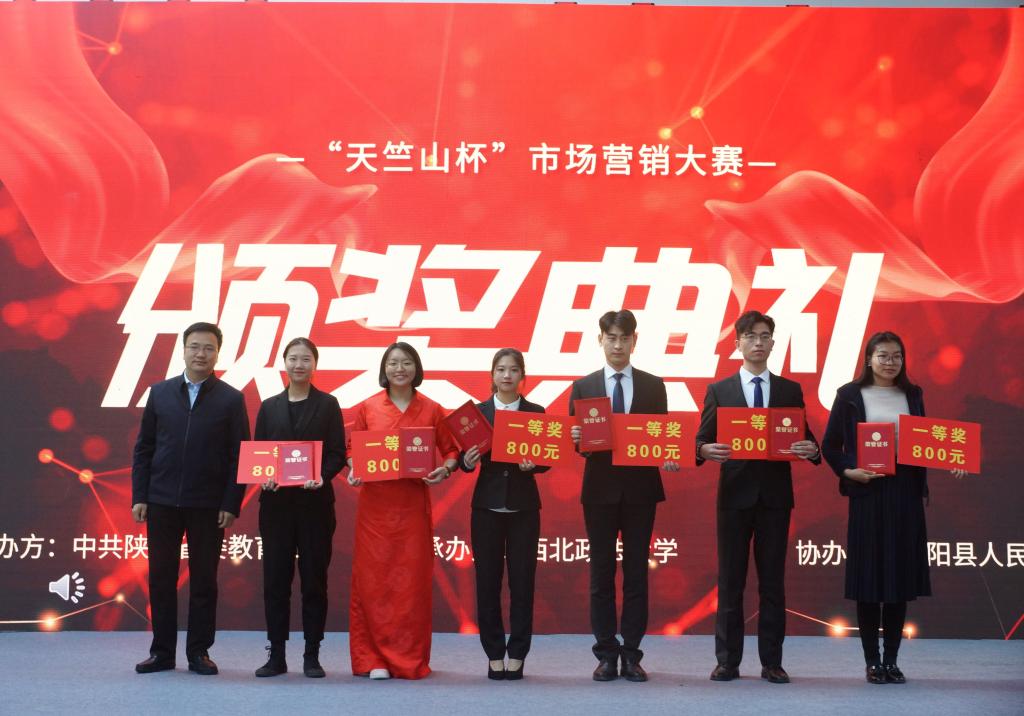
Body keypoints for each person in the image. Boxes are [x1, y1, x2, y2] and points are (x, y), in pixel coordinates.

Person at [821, 331, 966, 684]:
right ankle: (872, 661)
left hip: (905, 493)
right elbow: (831, 446)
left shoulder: (912, 394)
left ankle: (892, 660)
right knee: (869, 580)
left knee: (899, 579)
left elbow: (925, 441)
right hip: (868, 492)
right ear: (868, 359)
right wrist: (849, 471)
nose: (890, 362)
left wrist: (952, 457)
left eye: (897, 356)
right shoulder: (849, 395)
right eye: (883, 356)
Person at [695, 310, 820, 685]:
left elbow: (807, 440)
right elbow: (701, 440)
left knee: (772, 583)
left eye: (765, 336)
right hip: (734, 497)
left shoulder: (788, 390)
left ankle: (772, 662)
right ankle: (727, 661)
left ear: (773, 343)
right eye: (750, 336)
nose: (758, 342)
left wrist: (811, 449)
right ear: (738, 344)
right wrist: (704, 450)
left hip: (775, 498)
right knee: (730, 581)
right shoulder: (720, 390)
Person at [131, 322, 250, 675]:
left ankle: (199, 652)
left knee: (204, 580)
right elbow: (144, 448)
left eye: (209, 348)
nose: (201, 354)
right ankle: (162, 652)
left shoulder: (231, 399)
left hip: (208, 504)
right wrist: (141, 495)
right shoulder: (160, 393)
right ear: (183, 350)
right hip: (161, 501)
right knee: (161, 578)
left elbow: (239, 456)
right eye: (195, 347)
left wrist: (231, 503)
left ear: (218, 353)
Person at [568, 309, 680, 683]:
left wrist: (668, 455)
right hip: (598, 492)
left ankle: (631, 653)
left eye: (624, 338)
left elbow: (661, 436)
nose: (618, 345)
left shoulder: (653, 386)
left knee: (636, 574)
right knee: (601, 574)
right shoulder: (583, 386)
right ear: (600, 340)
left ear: (635, 341)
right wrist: (577, 439)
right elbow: (579, 444)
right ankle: (605, 654)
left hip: (640, 491)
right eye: (611, 338)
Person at [345, 342, 460, 680]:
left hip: (412, 508)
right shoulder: (368, 407)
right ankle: (373, 658)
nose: (399, 368)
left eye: (406, 362)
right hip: (375, 509)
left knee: (411, 583)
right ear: (384, 369)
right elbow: (352, 449)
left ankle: (408, 657)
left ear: (416, 368)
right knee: (373, 582)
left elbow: (451, 450)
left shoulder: (432, 409)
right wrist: (354, 467)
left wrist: (445, 470)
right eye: (393, 363)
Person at [253, 338, 346, 679]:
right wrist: (264, 477)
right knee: (275, 581)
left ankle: (312, 654)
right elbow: (259, 454)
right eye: (293, 358)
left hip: (315, 506)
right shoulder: (269, 406)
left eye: (306, 359)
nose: (299, 365)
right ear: (284, 363)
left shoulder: (328, 404)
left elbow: (337, 452)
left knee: (314, 581)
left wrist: (322, 476)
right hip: (276, 508)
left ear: (315, 364)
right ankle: (276, 654)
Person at [460, 348, 549, 681]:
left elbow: (546, 459)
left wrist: (533, 465)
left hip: (524, 508)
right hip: (486, 508)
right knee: (487, 584)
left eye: (513, 370)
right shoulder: (477, 414)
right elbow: (463, 460)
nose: (507, 375)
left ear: (522, 376)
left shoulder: (536, 412)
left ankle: (519, 653)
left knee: (523, 584)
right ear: (492, 375)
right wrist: (467, 460)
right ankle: (494, 653)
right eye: (501, 369)